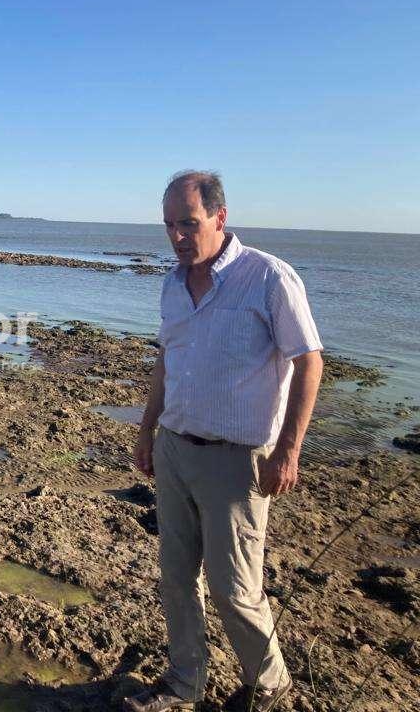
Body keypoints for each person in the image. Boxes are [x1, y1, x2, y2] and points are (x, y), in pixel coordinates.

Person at [123, 172, 324, 712]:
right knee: (175, 577)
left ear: (220, 217)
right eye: (169, 225)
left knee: (234, 588)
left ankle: (270, 685)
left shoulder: (268, 277)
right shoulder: (172, 284)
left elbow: (309, 362)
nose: (178, 236)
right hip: (174, 449)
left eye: (188, 223)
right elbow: (167, 362)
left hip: (237, 462)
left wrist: (288, 451)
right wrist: (147, 431)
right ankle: (183, 682)